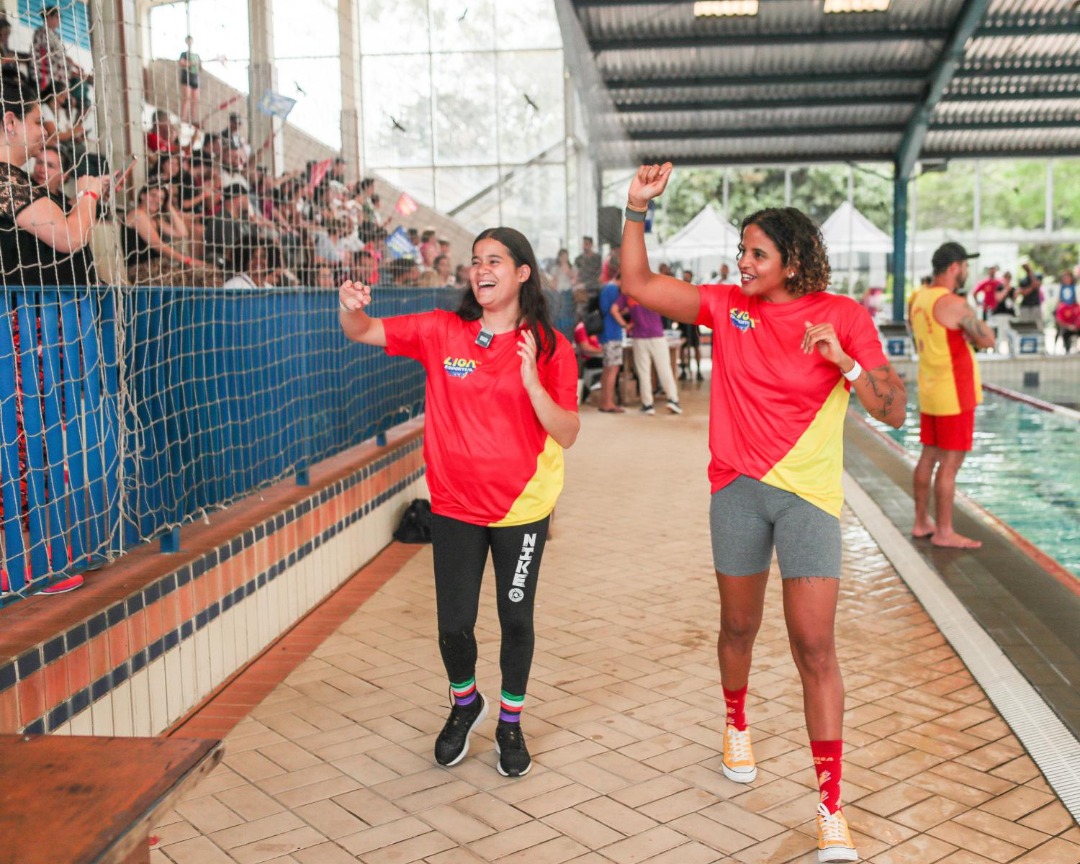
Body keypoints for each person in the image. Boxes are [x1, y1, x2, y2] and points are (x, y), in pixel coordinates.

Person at [620, 162, 906, 864]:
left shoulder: (843, 316)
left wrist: (842, 362)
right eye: (742, 251)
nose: (741, 262)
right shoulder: (726, 306)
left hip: (808, 497)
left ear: (794, 260)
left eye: (756, 253)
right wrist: (634, 208)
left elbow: (893, 409)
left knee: (815, 646)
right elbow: (640, 286)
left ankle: (830, 807)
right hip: (738, 490)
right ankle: (736, 721)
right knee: (738, 627)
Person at [338, 226, 579, 778]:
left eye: (495, 260)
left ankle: (511, 724)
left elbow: (566, 432)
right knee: (453, 625)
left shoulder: (548, 346)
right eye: (475, 261)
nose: (481, 269)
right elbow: (364, 330)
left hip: (523, 507)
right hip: (453, 506)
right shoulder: (441, 331)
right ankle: (465, 702)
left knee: (516, 620)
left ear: (522, 273)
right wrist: (348, 307)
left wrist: (532, 383)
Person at [910, 242, 996, 550]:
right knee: (950, 464)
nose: (967, 273)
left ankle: (921, 521)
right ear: (955, 267)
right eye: (965, 267)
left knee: (928, 457)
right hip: (955, 394)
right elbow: (988, 340)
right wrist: (970, 323)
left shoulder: (917, 300)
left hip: (930, 391)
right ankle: (944, 530)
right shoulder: (953, 303)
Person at [0, 72, 108, 289]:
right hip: (40, 316)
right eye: (38, 122)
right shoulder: (6, 181)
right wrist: (88, 194)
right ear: (11, 122)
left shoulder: (15, 181)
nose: (45, 131)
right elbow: (71, 237)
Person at [621, 293, 681, 415]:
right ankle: (673, 400)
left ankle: (647, 405)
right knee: (664, 369)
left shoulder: (629, 295)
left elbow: (615, 310)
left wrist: (626, 323)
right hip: (657, 335)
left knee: (644, 372)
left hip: (639, 336)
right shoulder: (654, 293)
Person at [597, 269, 630, 413]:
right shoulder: (613, 289)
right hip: (612, 333)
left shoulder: (606, 287)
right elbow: (614, 310)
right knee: (613, 369)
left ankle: (605, 401)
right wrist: (625, 322)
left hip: (605, 333)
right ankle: (608, 403)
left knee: (607, 369)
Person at [678, 269, 704, 381]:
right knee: (682, 348)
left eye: (687, 277)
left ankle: (698, 370)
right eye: (684, 277)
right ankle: (683, 370)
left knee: (696, 347)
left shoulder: (696, 291)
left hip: (694, 323)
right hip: (683, 323)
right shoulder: (679, 291)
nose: (686, 279)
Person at [178, 36, 200, 125]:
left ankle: (192, 120)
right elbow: (181, 62)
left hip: (195, 78)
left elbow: (200, 67)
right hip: (186, 78)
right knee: (186, 98)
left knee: (195, 100)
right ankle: (183, 118)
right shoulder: (184, 54)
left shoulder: (196, 55)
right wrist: (191, 63)